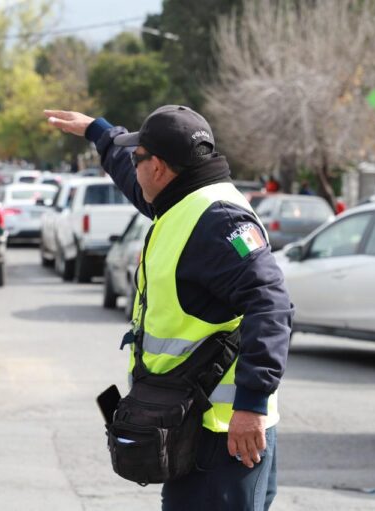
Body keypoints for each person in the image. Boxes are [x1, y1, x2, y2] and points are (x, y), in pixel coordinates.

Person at [45, 106, 293, 511]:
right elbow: (134, 180)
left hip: (223, 436)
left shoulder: (216, 220)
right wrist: (99, 133)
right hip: (196, 426)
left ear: (158, 167)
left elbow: (272, 304)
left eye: (137, 157)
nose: (133, 167)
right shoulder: (185, 200)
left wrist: (250, 404)